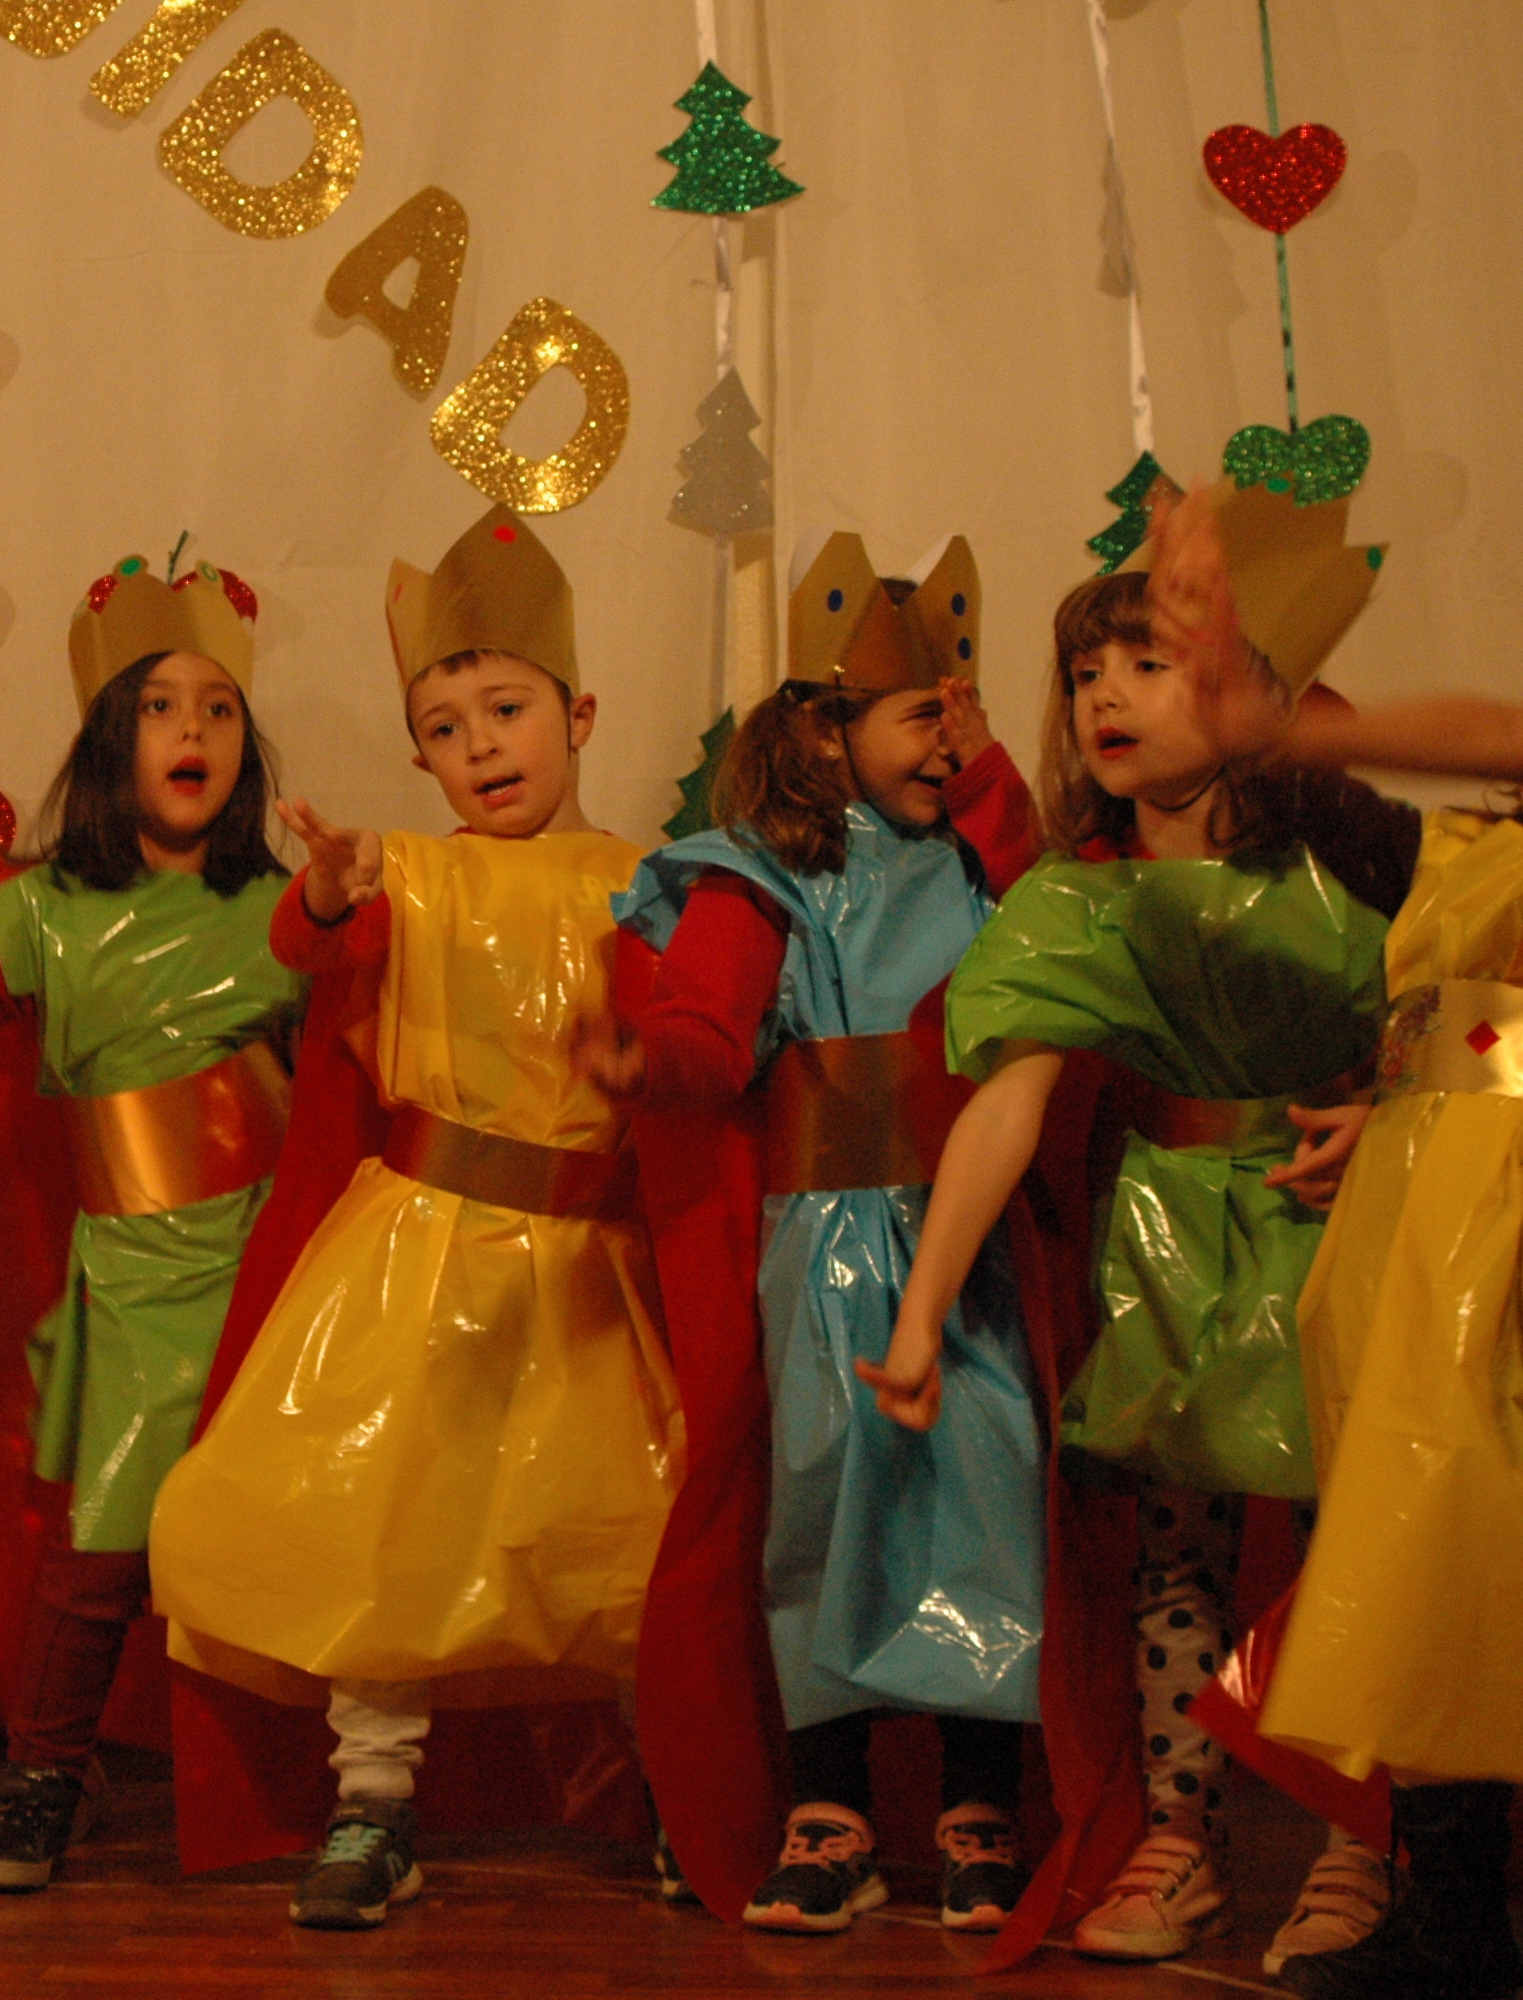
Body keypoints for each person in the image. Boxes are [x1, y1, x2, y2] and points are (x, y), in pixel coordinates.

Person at [874, 478, 1417, 1972]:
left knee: (1355, 1546)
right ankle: (1181, 1834)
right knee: (1177, 1553)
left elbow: (1460, 1005)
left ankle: (1360, 1835)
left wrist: (1386, 1115)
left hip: (1339, 1227)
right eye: (1083, 671)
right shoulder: (1076, 900)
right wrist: (920, 1312)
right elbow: (1007, 1104)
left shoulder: (1351, 863)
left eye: (1147, 663)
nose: (1104, 693)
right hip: (1175, 1238)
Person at [148, 504, 684, 1930]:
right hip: (419, 1255)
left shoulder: (650, 881)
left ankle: (677, 1787)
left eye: (507, 711)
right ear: (419, 760)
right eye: (446, 729)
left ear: (578, 715)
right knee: (382, 1516)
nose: (482, 747)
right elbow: (318, 937)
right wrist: (325, 896)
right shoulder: (409, 870)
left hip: (584, 1265)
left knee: (622, 1527)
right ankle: (372, 1799)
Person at [606, 535, 1089, 1934]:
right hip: (823, 1240)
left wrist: (990, 780)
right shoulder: (763, 875)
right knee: (826, 1501)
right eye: (922, 712)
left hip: (966, 1230)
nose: (948, 736)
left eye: (962, 711)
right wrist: (647, 1061)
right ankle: (829, 1809)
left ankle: (979, 1802)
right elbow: (708, 1028)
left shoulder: (987, 866)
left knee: (983, 1490)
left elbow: (1057, 926)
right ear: (826, 731)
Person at [1150, 519, 1523, 2000]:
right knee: (1425, 1551)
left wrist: (1269, 715)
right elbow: (1349, 836)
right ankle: (1451, 1911)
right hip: (1427, 1226)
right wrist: (1391, 1106)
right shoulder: (1460, 855)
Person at [0, 557, 299, 1892]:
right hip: (132, 1269)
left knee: (289, 1527)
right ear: (112, 740)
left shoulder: (282, 907)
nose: (193, 728)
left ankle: (325, 1790)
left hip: (275, 1268)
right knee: (101, 1545)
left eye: (219, 707)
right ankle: (43, 1774)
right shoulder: (45, 908)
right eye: (161, 705)